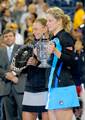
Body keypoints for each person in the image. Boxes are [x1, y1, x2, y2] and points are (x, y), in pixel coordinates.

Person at [45, 7, 79, 120]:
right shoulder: (54, 38)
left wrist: (55, 51)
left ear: (59, 21)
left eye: (50, 21)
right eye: (47, 21)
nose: (47, 24)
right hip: (53, 86)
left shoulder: (65, 36)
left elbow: (72, 61)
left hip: (63, 86)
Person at [22, 18, 50, 120]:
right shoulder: (30, 45)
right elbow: (23, 70)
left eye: (36, 29)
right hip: (31, 85)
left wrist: (36, 62)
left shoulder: (52, 43)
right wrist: (24, 64)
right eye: (33, 29)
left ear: (45, 29)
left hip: (47, 88)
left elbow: (50, 64)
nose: (34, 32)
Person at [0, 29, 26, 120]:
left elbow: (24, 63)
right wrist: (7, 75)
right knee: (9, 116)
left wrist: (14, 73)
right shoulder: (0, 51)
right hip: (5, 88)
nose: (8, 38)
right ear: (3, 39)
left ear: (14, 37)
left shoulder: (21, 48)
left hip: (19, 86)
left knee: (23, 114)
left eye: (10, 36)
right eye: (6, 36)